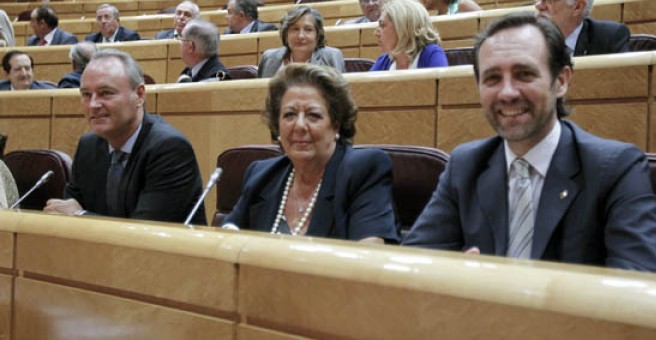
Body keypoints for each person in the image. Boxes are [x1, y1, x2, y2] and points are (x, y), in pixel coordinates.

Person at [403, 12, 656, 272]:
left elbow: (637, 288)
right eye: (492, 78)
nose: (507, 93)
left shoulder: (615, 169)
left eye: (524, 74)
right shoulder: (465, 165)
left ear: (561, 81)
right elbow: (409, 266)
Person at [223, 64, 399, 244]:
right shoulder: (262, 175)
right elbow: (225, 238)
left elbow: (368, 255)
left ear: (336, 124)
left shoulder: (363, 170)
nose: (299, 126)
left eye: (313, 115)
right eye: (289, 115)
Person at [43, 49, 206, 225]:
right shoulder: (88, 146)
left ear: (139, 95)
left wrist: (81, 215)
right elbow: (68, 212)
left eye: (106, 93)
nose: (93, 105)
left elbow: (143, 232)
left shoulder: (169, 148)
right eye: (86, 95)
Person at [258, 6, 345, 78]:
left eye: (308, 30)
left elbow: (339, 96)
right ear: (285, 34)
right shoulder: (269, 58)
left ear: (317, 35)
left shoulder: (332, 57)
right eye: (295, 29)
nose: (300, 36)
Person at [370, 0, 448, 71]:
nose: (375, 33)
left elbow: (442, 85)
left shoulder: (431, 54)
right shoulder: (384, 61)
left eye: (382, 25)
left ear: (402, 27)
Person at [536, 0, 629, 56]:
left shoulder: (609, 38)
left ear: (578, 7)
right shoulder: (529, 38)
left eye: (548, 0)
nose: (538, 5)